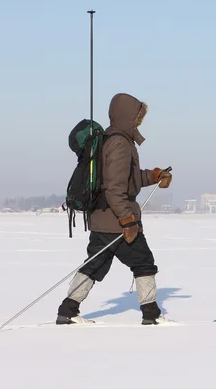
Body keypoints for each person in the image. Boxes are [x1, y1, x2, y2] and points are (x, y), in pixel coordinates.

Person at [56, 93, 173, 325]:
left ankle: (68, 310)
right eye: (138, 117)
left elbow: (127, 178)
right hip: (117, 221)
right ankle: (152, 315)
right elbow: (114, 187)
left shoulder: (112, 139)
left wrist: (154, 175)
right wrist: (127, 220)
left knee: (94, 265)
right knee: (143, 263)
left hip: (102, 219)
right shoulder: (120, 143)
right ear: (128, 116)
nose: (139, 121)